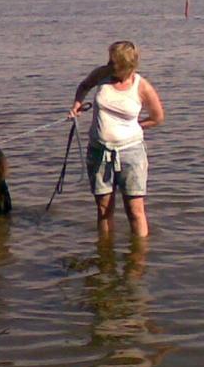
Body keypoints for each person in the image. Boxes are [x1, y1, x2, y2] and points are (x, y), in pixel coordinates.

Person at [69, 41, 165, 237]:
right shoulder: (102, 74)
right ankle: (105, 257)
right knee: (104, 210)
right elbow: (84, 85)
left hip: (131, 153)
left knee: (135, 210)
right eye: (109, 61)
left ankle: (138, 260)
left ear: (127, 65)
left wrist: (136, 126)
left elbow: (157, 118)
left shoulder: (142, 86)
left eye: (114, 63)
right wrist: (77, 104)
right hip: (99, 151)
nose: (109, 65)